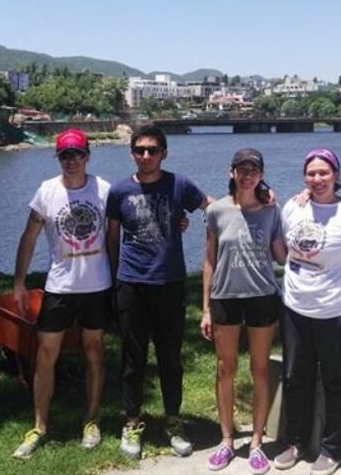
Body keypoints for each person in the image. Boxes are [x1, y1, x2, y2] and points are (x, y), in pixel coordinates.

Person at [105, 124, 211, 459]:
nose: (146, 156)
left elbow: (212, 206)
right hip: (131, 284)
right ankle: (132, 422)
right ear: (132, 154)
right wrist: (113, 280)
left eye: (152, 150)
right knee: (132, 361)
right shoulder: (119, 191)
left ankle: (173, 422)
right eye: (140, 150)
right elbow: (112, 237)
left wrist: (258, 199)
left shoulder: (179, 184)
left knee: (170, 360)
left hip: (170, 285)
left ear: (164, 153)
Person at [11, 128, 111, 459]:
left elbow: (121, 231)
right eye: (65, 155)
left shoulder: (104, 190)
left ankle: (91, 420)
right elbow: (29, 237)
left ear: (87, 156)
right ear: (59, 158)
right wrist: (19, 282)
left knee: (94, 352)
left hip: (97, 287)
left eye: (77, 154)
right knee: (44, 355)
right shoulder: (46, 192)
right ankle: (39, 426)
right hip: (59, 288)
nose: (71, 161)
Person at [275, 148, 341, 475]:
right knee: (295, 379)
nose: (317, 179)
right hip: (295, 309)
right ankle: (295, 441)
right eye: (311, 173)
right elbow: (285, 250)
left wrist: (334, 277)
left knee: (336, 382)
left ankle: (332, 448)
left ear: (336, 175)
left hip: (339, 313)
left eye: (324, 173)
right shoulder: (293, 206)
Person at [200, 148, 287, 474]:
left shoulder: (271, 210)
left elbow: (282, 255)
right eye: (242, 169)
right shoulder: (216, 211)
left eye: (254, 170)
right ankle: (226, 440)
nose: (247, 175)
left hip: (262, 296)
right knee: (226, 368)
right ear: (232, 172)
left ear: (261, 175)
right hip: (225, 298)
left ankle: (256, 442)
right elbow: (209, 260)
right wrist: (206, 308)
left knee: (260, 369)